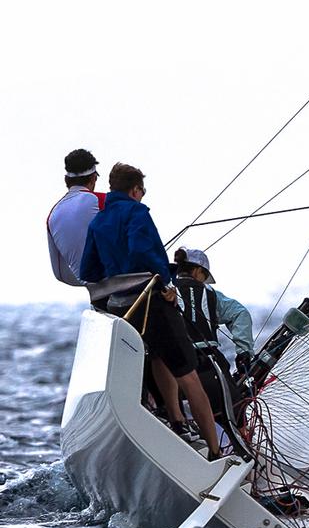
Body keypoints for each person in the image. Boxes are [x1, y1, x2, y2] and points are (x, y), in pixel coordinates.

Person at [79, 162, 223, 460]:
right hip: (151, 302)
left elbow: (87, 270)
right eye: (141, 192)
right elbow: (141, 251)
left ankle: (176, 421)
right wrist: (166, 281)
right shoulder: (137, 212)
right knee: (189, 374)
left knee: (157, 356)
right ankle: (215, 450)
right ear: (135, 190)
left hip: (120, 309)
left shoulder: (98, 222)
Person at [172, 247, 255, 448]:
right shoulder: (211, 295)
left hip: (176, 366)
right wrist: (244, 351)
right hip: (210, 365)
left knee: (180, 419)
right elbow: (240, 314)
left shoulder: (164, 290)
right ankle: (250, 465)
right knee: (236, 417)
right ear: (197, 271)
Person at [47, 149, 106, 286]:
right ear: (93, 178)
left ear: (66, 180)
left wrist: (88, 283)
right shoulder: (104, 201)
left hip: (97, 299)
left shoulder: (52, 216)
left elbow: (60, 274)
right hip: (129, 291)